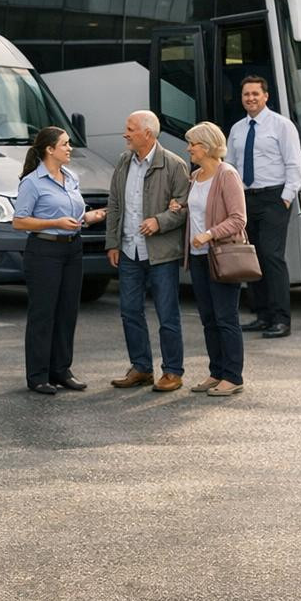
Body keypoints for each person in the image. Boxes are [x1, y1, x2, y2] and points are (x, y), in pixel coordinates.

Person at [11, 126, 106, 395]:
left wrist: (87, 217)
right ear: (49, 150)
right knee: (44, 314)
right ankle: (38, 375)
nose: (70, 148)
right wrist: (54, 222)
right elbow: (19, 222)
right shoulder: (32, 182)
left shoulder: (71, 177)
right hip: (44, 251)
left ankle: (61, 370)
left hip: (72, 249)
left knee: (67, 311)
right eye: (65, 144)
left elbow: (73, 213)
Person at [104, 110, 190, 392]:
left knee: (167, 314)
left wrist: (159, 221)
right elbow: (115, 203)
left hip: (161, 254)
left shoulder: (175, 165)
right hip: (129, 250)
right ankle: (141, 368)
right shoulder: (123, 161)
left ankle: (173, 371)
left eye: (130, 129)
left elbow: (183, 208)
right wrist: (113, 243)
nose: (125, 134)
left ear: (148, 134)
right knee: (130, 312)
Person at [225, 75, 301, 338]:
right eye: (246, 94)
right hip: (246, 200)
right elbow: (231, 167)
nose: (250, 98)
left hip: (274, 199)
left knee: (272, 256)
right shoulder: (237, 129)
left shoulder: (282, 126)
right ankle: (262, 315)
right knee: (252, 256)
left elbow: (294, 164)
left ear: (266, 96)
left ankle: (281, 319)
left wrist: (287, 197)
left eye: (255, 94)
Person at [181, 121, 249, 396]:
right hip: (198, 257)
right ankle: (216, 372)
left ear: (207, 147)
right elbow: (196, 211)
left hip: (220, 255)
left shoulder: (226, 174)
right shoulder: (195, 176)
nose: (189, 149)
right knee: (208, 318)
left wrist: (209, 234)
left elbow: (238, 219)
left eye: (192, 144)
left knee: (225, 317)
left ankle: (233, 376)